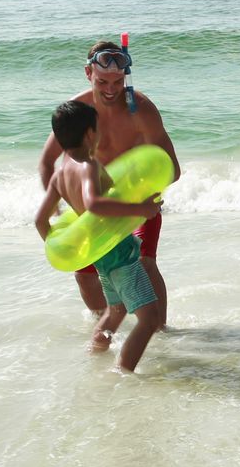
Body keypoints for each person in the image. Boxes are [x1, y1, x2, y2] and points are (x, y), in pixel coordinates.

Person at [39, 39, 180, 320]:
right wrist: (55, 206)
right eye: (103, 81)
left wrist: (144, 198)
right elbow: (46, 162)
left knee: (145, 262)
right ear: (89, 73)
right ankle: (105, 330)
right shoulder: (77, 112)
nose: (111, 89)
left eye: (117, 81)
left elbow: (172, 168)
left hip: (134, 200)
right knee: (84, 274)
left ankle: (160, 332)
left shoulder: (141, 110)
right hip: (96, 205)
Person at [35, 101, 164, 372]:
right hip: (117, 251)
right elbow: (94, 203)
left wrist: (64, 246)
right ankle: (123, 372)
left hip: (99, 254)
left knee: (115, 310)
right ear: (90, 134)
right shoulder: (88, 166)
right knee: (149, 319)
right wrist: (142, 209)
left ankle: (94, 355)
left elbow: (40, 220)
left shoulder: (59, 176)